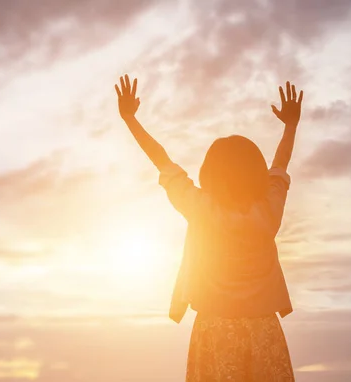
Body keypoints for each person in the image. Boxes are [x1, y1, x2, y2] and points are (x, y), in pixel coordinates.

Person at [114, 74, 302, 381]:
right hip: (263, 329)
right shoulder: (268, 211)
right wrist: (291, 126)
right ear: (256, 172)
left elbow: (161, 160)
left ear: (210, 172)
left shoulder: (201, 210)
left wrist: (130, 119)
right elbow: (280, 164)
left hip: (215, 330)